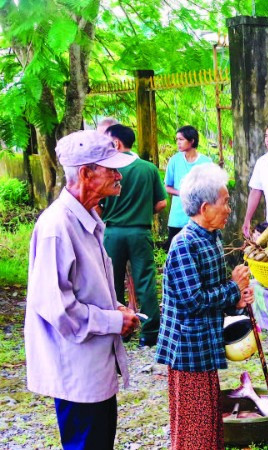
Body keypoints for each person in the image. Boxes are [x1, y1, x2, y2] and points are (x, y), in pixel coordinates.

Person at [25, 130, 140, 449]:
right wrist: (113, 321)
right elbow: (57, 307)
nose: (119, 176)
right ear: (86, 174)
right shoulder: (57, 227)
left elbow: (88, 287)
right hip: (76, 372)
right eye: (111, 169)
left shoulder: (87, 218)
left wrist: (115, 307)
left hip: (94, 368)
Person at [155, 163, 254, 449]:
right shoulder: (184, 244)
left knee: (210, 420)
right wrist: (232, 287)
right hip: (188, 348)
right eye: (224, 203)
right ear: (205, 207)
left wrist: (237, 300)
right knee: (193, 427)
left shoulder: (211, 238)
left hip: (205, 345)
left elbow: (216, 293)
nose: (228, 209)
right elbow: (194, 300)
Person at [100, 124, 167, 347]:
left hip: (113, 233)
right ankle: (150, 333)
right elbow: (161, 202)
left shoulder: (106, 168)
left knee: (112, 282)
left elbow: (98, 205)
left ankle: (121, 330)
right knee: (145, 281)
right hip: (140, 232)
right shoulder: (148, 169)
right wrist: (143, 211)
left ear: (117, 143)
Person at [165, 125, 213, 250]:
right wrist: (182, 193)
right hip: (177, 218)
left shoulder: (206, 162)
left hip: (199, 217)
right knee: (175, 251)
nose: (178, 143)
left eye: (181, 139)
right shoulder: (174, 161)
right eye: (177, 140)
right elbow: (167, 187)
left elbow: (211, 188)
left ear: (191, 140)